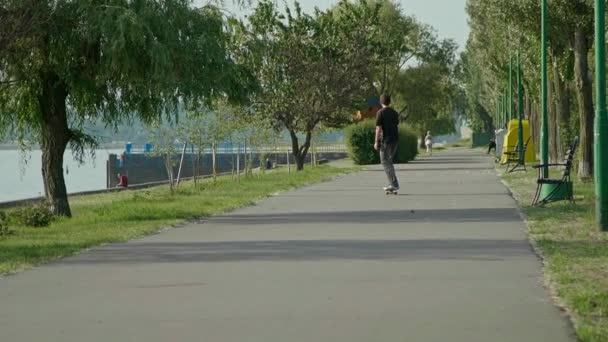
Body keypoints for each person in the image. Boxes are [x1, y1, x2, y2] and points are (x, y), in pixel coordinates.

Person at [374, 94, 400, 192]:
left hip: (386, 141)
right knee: (389, 162)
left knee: (385, 161)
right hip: (395, 140)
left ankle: (394, 184)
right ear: (389, 102)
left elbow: (378, 128)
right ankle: (393, 184)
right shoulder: (395, 113)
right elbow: (396, 125)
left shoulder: (380, 112)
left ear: (381, 102)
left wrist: (376, 142)